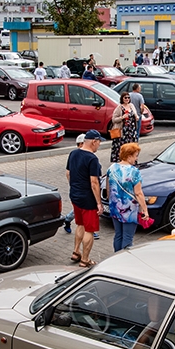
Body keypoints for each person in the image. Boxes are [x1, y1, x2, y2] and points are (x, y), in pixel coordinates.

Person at [66, 129, 103, 266]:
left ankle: (76, 252)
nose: (99, 145)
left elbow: (68, 173)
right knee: (90, 230)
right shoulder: (92, 159)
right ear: (94, 141)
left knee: (79, 224)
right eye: (99, 142)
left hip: (75, 196)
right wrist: (98, 203)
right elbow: (94, 182)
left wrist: (74, 187)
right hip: (88, 200)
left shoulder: (73, 153)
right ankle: (85, 259)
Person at [107, 142, 150, 252]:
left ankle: (116, 256)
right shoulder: (134, 171)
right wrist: (145, 210)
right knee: (127, 237)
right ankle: (124, 260)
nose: (136, 159)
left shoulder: (112, 168)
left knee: (118, 235)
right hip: (129, 209)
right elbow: (138, 193)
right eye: (135, 156)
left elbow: (108, 188)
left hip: (114, 206)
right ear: (129, 156)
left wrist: (110, 201)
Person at [110, 92, 139, 163]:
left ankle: (132, 160)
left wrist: (136, 117)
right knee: (122, 147)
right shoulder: (119, 107)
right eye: (125, 97)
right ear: (122, 98)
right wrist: (122, 117)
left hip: (131, 130)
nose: (127, 99)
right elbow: (114, 119)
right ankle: (122, 161)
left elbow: (135, 114)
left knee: (132, 147)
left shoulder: (131, 105)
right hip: (123, 131)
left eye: (128, 97)